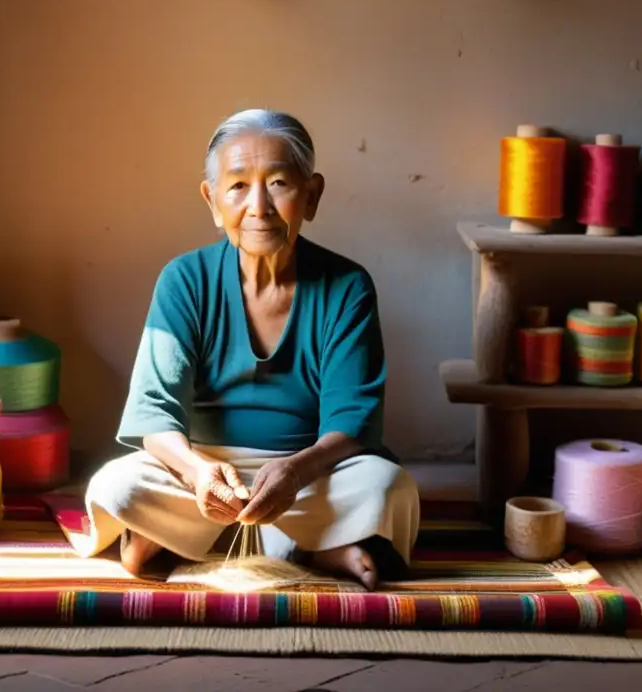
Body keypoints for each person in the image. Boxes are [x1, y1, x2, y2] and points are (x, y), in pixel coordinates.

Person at [83, 109, 421, 590]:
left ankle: (191, 541)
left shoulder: (347, 285)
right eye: (238, 186)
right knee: (117, 486)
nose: (258, 205)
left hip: (311, 470)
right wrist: (198, 473)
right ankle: (309, 544)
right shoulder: (185, 280)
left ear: (312, 194)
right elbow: (154, 416)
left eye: (279, 183)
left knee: (387, 487)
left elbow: (352, 422)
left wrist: (293, 471)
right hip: (204, 471)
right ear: (213, 201)